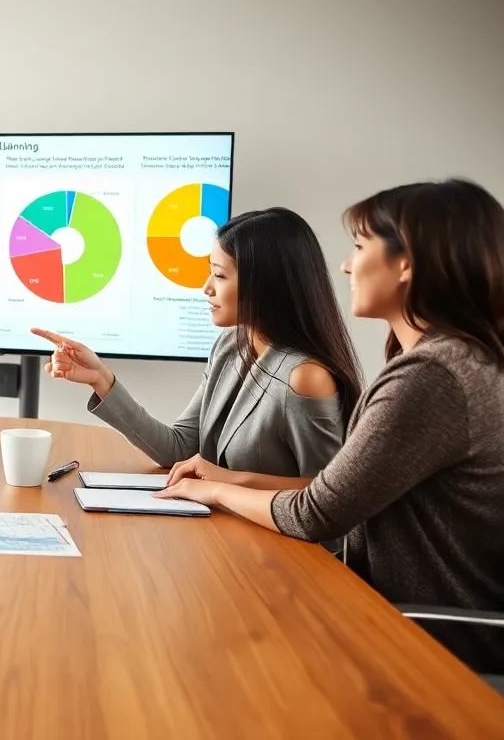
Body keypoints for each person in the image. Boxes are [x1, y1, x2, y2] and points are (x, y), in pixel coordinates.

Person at [157, 179, 504, 674]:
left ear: (406, 264)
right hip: (400, 616)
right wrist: (225, 477)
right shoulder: (452, 361)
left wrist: (216, 493)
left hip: (426, 639)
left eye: (360, 246)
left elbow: (316, 513)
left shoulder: (434, 378)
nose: (345, 264)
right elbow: (334, 487)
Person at [33, 208, 362, 482]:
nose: (206, 288)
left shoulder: (305, 377)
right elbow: (178, 450)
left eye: (219, 276)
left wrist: (221, 483)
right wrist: (100, 378)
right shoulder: (232, 346)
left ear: (264, 285)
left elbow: (328, 503)